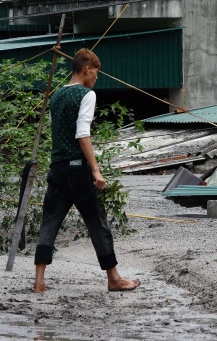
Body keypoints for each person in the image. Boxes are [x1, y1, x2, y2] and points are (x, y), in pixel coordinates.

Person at [32, 48, 139, 293]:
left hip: (57, 169)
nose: (97, 78)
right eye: (96, 73)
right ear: (87, 69)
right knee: (96, 222)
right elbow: (82, 133)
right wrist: (96, 170)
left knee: (49, 222)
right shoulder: (86, 94)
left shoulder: (56, 95)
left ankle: (39, 282)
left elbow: (58, 133)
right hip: (78, 171)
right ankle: (113, 278)